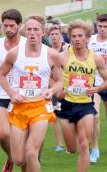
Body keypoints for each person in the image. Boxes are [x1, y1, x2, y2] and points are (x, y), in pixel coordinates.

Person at [0, 16, 62, 172]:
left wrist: (51, 91)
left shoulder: (51, 54)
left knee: (32, 153)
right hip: (19, 108)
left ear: (43, 32)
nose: (32, 33)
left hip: (41, 107)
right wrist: (12, 94)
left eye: (36, 30)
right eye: (30, 30)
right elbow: (1, 75)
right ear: (25, 31)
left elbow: (59, 82)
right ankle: (12, 162)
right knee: (19, 158)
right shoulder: (14, 53)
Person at [56, 19, 107, 172]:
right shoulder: (62, 57)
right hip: (66, 105)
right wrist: (58, 90)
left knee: (84, 144)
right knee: (72, 148)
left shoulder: (96, 58)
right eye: (73, 36)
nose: (77, 39)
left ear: (87, 38)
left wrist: (97, 88)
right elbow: (49, 75)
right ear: (70, 38)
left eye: (80, 36)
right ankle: (74, 148)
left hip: (86, 106)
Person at [0, 8, 28, 172]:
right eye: (5, 26)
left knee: (24, 142)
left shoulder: (28, 44)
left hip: (24, 97)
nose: (8, 29)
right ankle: (11, 158)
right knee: (3, 135)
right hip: (2, 94)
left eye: (12, 26)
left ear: (19, 25)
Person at [88, 13, 107, 164]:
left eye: (105, 27)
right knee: (95, 117)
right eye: (100, 26)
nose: (102, 29)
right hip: (94, 84)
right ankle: (94, 149)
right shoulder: (91, 41)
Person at [48, 24, 69, 152]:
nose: (54, 36)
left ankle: (69, 144)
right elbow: (47, 73)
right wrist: (54, 88)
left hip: (68, 88)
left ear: (60, 35)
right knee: (55, 116)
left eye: (56, 34)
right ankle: (59, 144)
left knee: (68, 116)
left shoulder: (67, 48)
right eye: (52, 35)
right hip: (54, 89)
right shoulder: (47, 51)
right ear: (49, 36)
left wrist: (65, 88)